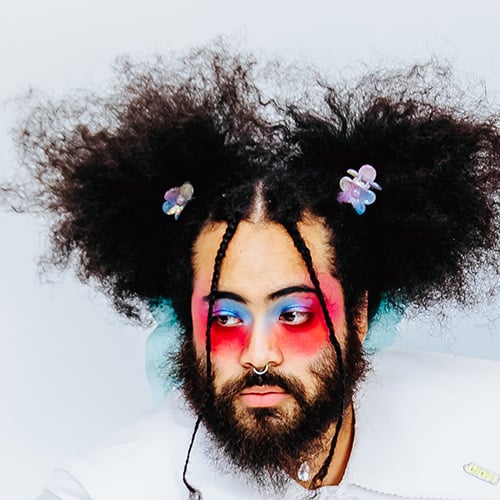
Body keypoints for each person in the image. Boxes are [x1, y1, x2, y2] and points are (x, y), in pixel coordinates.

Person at [5, 43, 500, 499]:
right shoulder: (97, 491)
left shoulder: (486, 412)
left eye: (294, 315)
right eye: (225, 318)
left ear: (360, 315)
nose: (258, 355)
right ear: (186, 326)